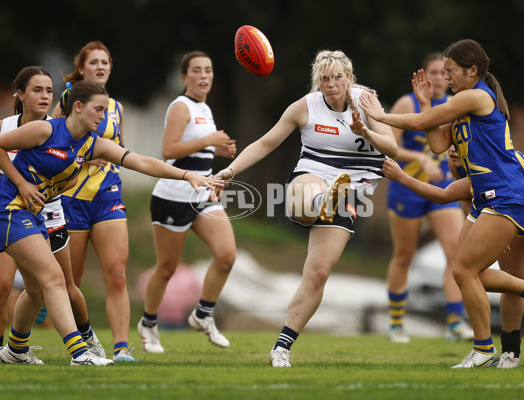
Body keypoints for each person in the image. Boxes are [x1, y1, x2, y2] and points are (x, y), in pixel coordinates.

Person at [0, 80, 221, 365]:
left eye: (106, 111)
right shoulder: (46, 129)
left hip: (33, 214)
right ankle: (80, 353)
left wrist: (187, 175)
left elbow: (142, 162)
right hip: (6, 210)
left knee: (36, 290)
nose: (103, 116)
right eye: (98, 109)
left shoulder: (92, 144)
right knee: (54, 279)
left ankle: (15, 351)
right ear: (78, 107)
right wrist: (21, 184)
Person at [359, 39, 524, 368]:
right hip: (486, 197)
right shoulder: (459, 102)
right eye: (443, 71)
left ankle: (484, 348)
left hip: (505, 195)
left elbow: (420, 126)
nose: (444, 77)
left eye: (450, 71)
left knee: (464, 270)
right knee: (464, 271)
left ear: (472, 71)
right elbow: (436, 143)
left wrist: (380, 115)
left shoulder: (476, 96)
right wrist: (424, 102)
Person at [214, 50, 398, 367]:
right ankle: (322, 199)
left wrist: (365, 130)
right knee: (304, 197)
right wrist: (229, 172)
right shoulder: (306, 106)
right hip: (315, 175)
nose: (331, 84)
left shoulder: (366, 101)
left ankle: (281, 347)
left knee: (318, 273)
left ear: (349, 79)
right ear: (318, 82)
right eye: (324, 78)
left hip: (353, 189)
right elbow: (266, 143)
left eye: (337, 77)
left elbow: (393, 148)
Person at [382, 148, 524, 367]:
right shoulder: (459, 162)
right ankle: (511, 353)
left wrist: (401, 176)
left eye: (459, 142)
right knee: (493, 277)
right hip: (510, 205)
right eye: (451, 142)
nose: (452, 149)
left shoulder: (486, 157)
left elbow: (444, 195)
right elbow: (469, 204)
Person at [0, 66, 104, 363]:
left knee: (57, 286)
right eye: (37, 90)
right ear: (20, 95)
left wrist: (77, 170)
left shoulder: (62, 128)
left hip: (48, 215)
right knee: (0, 286)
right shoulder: (5, 127)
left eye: (49, 91)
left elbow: (70, 174)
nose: (44, 96)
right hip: (10, 210)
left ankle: (86, 340)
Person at [137, 51, 237, 353]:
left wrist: (215, 152)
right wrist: (208, 141)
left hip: (202, 196)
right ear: (184, 77)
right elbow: (168, 150)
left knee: (227, 256)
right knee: (167, 269)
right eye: (197, 70)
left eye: (208, 70)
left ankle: (203, 314)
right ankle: (149, 323)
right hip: (172, 197)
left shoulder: (204, 107)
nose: (204, 76)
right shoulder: (181, 106)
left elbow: (192, 151)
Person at [51, 41, 134, 361]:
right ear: (81, 68)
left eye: (106, 62)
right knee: (71, 281)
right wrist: (85, 160)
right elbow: (53, 146)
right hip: (71, 198)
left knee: (116, 272)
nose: (101, 67)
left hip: (107, 196)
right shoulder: (67, 101)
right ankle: (76, 342)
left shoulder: (116, 108)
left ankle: (122, 348)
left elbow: (121, 151)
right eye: (94, 62)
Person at [383, 52, 472, 343]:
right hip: (406, 188)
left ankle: (454, 324)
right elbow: (388, 147)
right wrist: (419, 159)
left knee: (454, 252)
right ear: (424, 75)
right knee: (404, 255)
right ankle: (396, 324)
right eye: (433, 71)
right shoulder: (407, 103)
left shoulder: (456, 105)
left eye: (444, 72)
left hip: (442, 189)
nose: (438, 77)